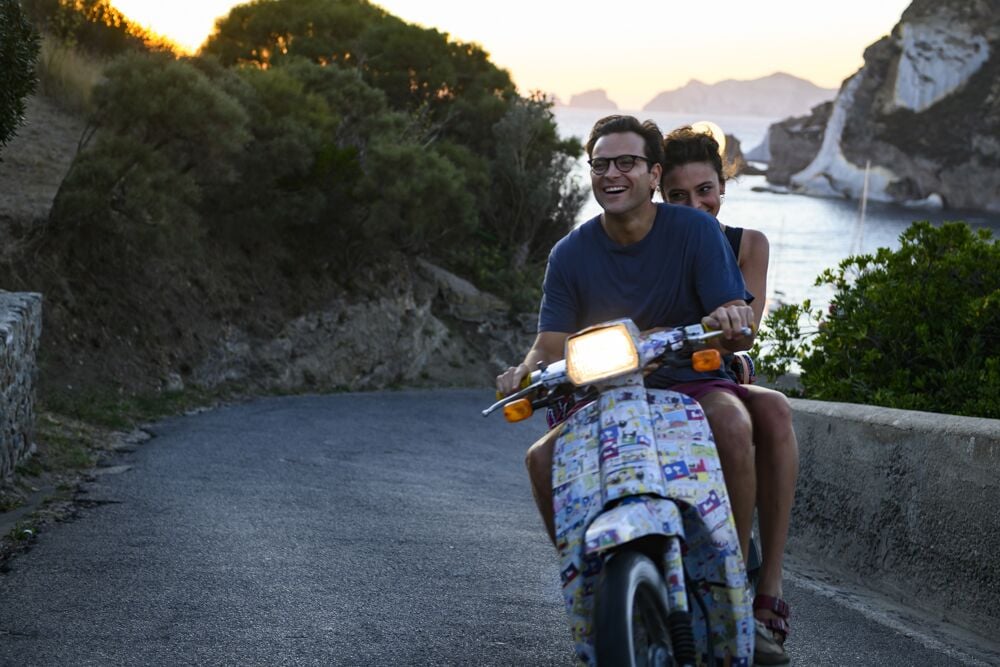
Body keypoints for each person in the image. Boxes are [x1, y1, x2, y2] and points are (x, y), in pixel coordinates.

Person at [496, 113, 765, 654]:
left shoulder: (695, 231)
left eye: (626, 163)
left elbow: (727, 306)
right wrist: (523, 369)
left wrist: (733, 317)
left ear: (652, 173)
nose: (611, 174)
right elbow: (551, 343)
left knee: (734, 422)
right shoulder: (569, 252)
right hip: (605, 392)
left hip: (688, 379)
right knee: (539, 459)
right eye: (600, 164)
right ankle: (596, 590)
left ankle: (730, 573)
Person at [660, 124, 799, 664]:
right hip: (662, 380)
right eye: (677, 196)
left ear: (723, 186)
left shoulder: (748, 245)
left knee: (776, 408)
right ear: (659, 195)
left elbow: (746, 331)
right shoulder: (651, 242)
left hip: (717, 373)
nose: (695, 206)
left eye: (705, 192)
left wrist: (733, 328)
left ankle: (768, 582)